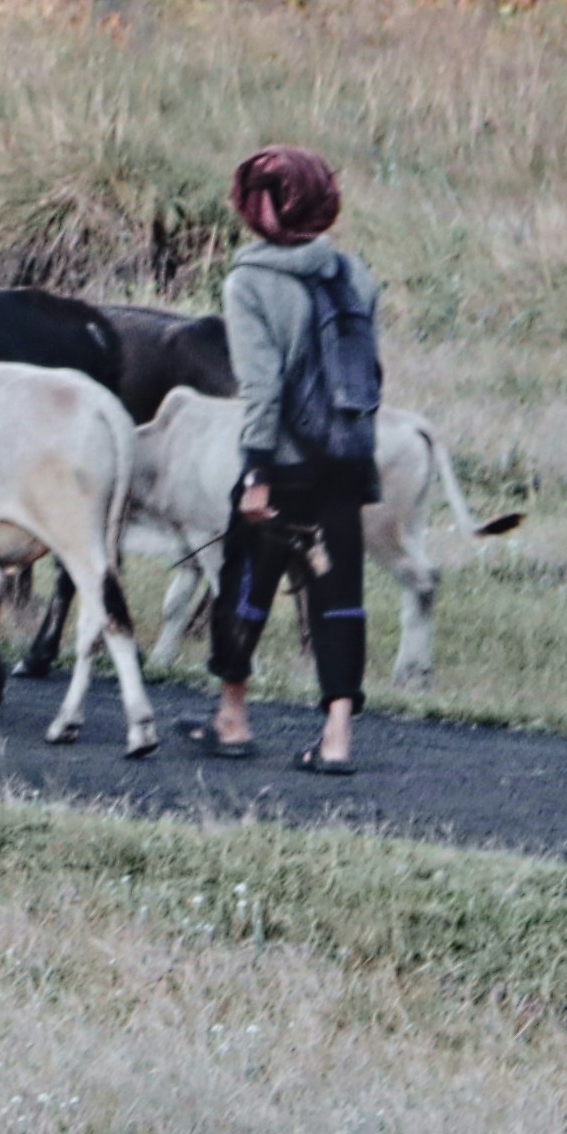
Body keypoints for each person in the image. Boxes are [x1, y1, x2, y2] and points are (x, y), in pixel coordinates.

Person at [205, 143, 380, 774]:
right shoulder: (355, 274)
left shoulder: (248, 283)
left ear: (258, 211)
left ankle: (232, 717)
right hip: (345, 466)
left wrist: (255, 474)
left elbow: (262, 389)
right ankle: (336, 738)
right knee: (339, 596)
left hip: (279, 470)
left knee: (245, 588)